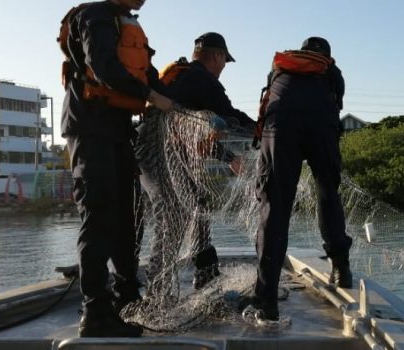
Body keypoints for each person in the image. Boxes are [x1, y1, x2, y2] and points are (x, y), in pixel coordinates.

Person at [59, 0, 175, 337]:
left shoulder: (126, 23)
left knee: (130, 216)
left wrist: (175, 104)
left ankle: (127, 297)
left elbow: (148, 76)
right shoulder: (95, 16)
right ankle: (96, 313)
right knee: (99, 217)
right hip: (90, 130)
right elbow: (105, 67)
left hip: (118, 130)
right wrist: (150, 96)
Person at [248, 37, 353, 322]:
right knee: (327, 192)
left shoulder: (280, 68)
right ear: (326, 56)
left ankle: (267, 299)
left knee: (275, 206)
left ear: (302, 52)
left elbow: (267, 101)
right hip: (322, 125)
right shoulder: (332, 72)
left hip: (280, 127)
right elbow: (335, 107)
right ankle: (341, 269)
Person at [157, 32, 256, 289]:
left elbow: (193, 136)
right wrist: (264, 131)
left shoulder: (180, 76)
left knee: (193, 206)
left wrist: (229, 157)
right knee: (185, 213)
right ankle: (172, 284)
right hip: (168, 158)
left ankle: (201, 274)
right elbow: (230, 116)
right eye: (224, 61)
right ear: (217, 56)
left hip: (156, 155)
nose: (223, 68)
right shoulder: (203, 80)